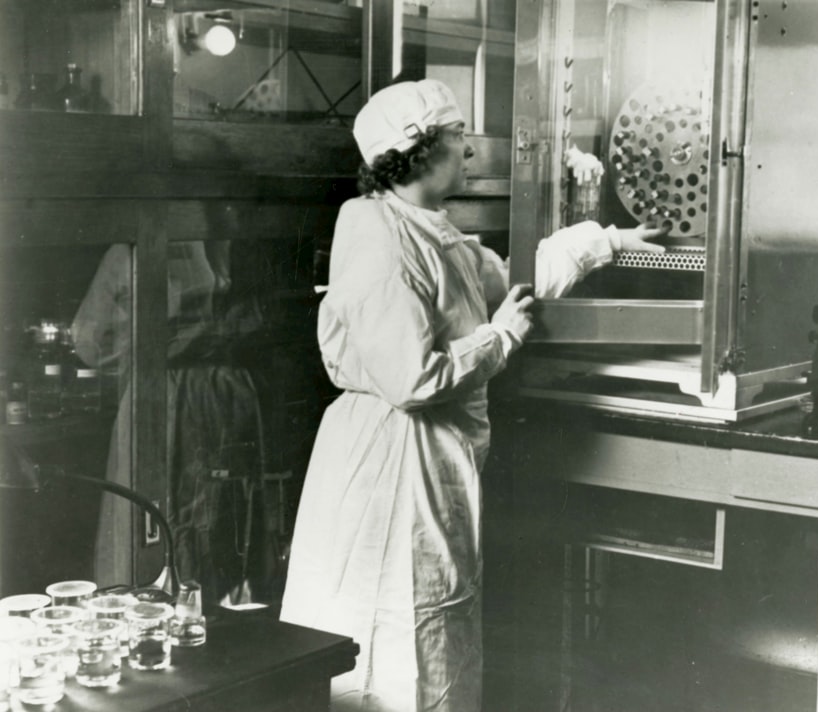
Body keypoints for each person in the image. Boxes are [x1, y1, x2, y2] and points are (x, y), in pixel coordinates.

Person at [278, 79, 665, 712]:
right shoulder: (377, 236)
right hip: (389, 460)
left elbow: (516, 283)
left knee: (428, 622)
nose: (470, 152)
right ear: (421, 150)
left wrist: (611, 241)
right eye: (458, 137)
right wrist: (499, 339)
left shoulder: (435, 231)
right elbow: (411, 378)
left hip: (431, 457)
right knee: (387, 629)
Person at [72, 237, 276, 604]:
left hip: (222, 397)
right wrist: (158, 349)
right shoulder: (133, 251)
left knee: (224, 519)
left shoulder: (237, 243)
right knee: (164, 518)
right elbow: (89, 339)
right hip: (168, 399)